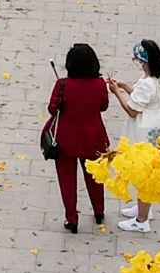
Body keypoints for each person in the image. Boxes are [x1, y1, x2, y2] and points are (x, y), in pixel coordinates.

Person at [107, 41, 160, 232]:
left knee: (144, 174)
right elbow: (144, 99)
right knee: (146, 172)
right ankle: (144, 209)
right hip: (157, 129)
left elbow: (132, 110)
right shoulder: (158, 78)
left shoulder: (147, 84)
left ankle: (141, 220)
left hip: (146, 133)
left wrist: (117, 93)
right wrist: (126, 86)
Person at [47, 44, 113, 232]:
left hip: (66, 140)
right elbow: (104, 106)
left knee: (67, 180)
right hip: (94, 138)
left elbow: (52, 109)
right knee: (95, 177)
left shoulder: (62, 85)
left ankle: (72, 218)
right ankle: (99, 211)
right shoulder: (99, 84)